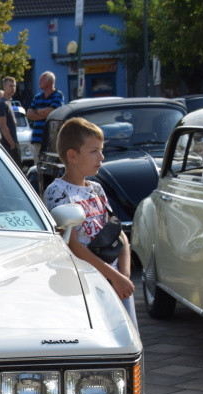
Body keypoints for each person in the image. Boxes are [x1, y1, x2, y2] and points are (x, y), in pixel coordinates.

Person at [43, 117, 135, 323]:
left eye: (101, 150)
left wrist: (124, 275)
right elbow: (73, 245)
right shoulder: (58, 191)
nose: (101, 157)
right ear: (73, 156)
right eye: (94, 151)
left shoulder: (97, 188)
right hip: (88, 284)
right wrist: (114, 277)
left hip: (115, 282)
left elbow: (118, 232)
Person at [27, 71, 63, 163]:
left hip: (51, 140)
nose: (39, 81)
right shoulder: (37, 97)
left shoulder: (58, 95)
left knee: (51, 164)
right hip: (38, 139)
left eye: (42, 80)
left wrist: (37, 111)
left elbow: (52, 111)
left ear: (50, 81)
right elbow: (29, 114)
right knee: (37, 164)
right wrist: (45, 115)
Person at [0, 76, 20, 165]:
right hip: (7, 145)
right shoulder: (1, 104)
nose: (13, 88)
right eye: (10, 86)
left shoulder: (8, 102)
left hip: (13, 142)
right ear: (4, 87)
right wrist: (12, 144)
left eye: (14, 86)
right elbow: (3, 126)